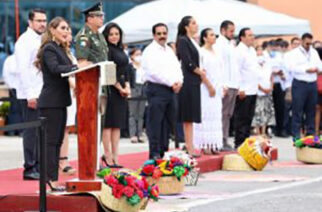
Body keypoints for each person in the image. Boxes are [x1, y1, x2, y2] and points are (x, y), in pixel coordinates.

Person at [34, 17, 80, 191]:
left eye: (68, 28)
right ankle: (49, 181)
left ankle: (53, 179)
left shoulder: (61, 48)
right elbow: (55, 69)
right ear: (52, 30)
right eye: (63, 28)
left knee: (57, 142)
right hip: (50, 103)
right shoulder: (49, 49)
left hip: (60, 102)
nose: (67, 31)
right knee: (51, 143)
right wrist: (76, 68)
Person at [14, 8, 47, 180]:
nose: (42, 24)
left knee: (41, 131)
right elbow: (22, 70)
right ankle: (29, 167)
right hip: (30, 93)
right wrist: (30, 95)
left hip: (43, 91)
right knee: (31, 131)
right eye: (39, 21)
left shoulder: (42, 39)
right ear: (30, 22)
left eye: (44, 20)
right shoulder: (24, 41)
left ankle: (40, 165)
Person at [142, 23, 183, 159]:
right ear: (154, 35)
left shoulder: (169, 50)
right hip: (157, 89)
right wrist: (171, 83)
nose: (162, 36)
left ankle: (163, 151)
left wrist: (179, 81)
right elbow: (153, 72)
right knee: (155, 123)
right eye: (159, 34)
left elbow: (177, 67)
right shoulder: (150, 50)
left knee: (168, 122)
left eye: (164, 33)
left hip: (171, 90)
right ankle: (154, 153)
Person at [101, 23, 130, 167]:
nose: (114, 37)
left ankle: (115, 156)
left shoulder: (121, 49)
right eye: (111, 34)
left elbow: (126, 70)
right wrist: (120, 88)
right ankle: (107, 156)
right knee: (108, 125)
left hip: (121, 91)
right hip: (110, 90)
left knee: (117, 125)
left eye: (116, 34)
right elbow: (108, 73)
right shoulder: (107, 50)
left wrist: (127, 87)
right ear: (106, 36)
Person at [176, 16, 205, 157]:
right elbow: (187, 62)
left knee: (191, 116)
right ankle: (189, 146)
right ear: (186, 26)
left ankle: (190, 144)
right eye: (193, 23)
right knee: (188, 116)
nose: (196, 25)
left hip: (194, 81)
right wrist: (201, 72)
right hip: (187, 81)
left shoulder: (192, 41)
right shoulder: (183, 41)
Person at [286, 33, 322, 140]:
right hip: (300, 83)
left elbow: (319, 64)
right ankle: (296, 135)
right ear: (302, 41)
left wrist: (318, 69)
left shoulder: (314, 52)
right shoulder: (294, 54)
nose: (308, 46)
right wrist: (306, 69)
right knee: (298, 110)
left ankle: (310, 134)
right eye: (307, 43)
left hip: (312, 83)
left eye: (310, 44)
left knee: (311, 110)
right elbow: (291, 67)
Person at [193, 28, 224, 154]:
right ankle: (204, 144)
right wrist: (209, 86)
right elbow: (202, 72)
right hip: (206, 88)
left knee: (216, 115)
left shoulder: (217, 52)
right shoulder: (201, 52)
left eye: (214, 35)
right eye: (211, 35)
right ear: (204, 38)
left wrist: (223, 86)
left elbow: (220, 70)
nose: (214, 37)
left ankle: (213, 144)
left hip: (217, 87)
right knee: (206, 115)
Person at [215, 20, 239, 151]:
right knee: (223, 114)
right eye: (230, 31)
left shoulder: (230, 44)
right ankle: (221, 140)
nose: (232, 33)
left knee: (228, 114)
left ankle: (225, 138)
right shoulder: (220, 44)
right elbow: (220, 66)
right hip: (226, 84)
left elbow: (234, 66)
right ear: (223, 30)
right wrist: (223, 84)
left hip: (233, 83)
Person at [234, 28, 258, 148]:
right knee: (241, 118)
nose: (252, 37)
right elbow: (236, 70)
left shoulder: (252, 50)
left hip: (253, 88)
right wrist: (240, 88)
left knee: (249, 117)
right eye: (249, 35)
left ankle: (246, 141)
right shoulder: (239, 51)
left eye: (252, 35)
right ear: (242, 38)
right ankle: (239, 142)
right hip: (244, 90)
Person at [59, 27, 77, 175]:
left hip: (72, 94)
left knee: (66, 128)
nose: (68, 36)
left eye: (70, 33)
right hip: (62, 92)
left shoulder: (71, 52)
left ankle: (64, 159)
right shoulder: (56, 51)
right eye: (65, 32)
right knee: (59, 128)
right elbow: (63, 73)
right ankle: (59, 160)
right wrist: (74, 84)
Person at [252, 45, 275, 136]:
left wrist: (271, 87)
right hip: (258, 91)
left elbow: (271, 76)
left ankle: (264, 131)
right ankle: (257, 131)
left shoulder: (267, 63)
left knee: (266, 111)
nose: (260, 51)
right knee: (258, 111)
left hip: (268, 91)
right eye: (258, 50)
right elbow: (253, 78)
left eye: (261, 50)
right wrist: (262, 88)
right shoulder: (253, 63)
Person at [128, 48, 146, 143]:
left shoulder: (144, 67)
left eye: (140, 54)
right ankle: (133, 134)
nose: (139, 56)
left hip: (143, 88)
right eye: (137, 54)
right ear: (132, 56)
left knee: (141, 114)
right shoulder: (130, 67)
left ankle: (140, 134)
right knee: (132, 113)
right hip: (133, 88)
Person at [2, 55, 23, 136]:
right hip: (14, 88)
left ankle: (20, 131)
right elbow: (6, 75)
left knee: (20, 110)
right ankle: (12, 131)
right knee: (14, 110)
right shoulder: (10, 60)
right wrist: (11, 86)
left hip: (22, 88)